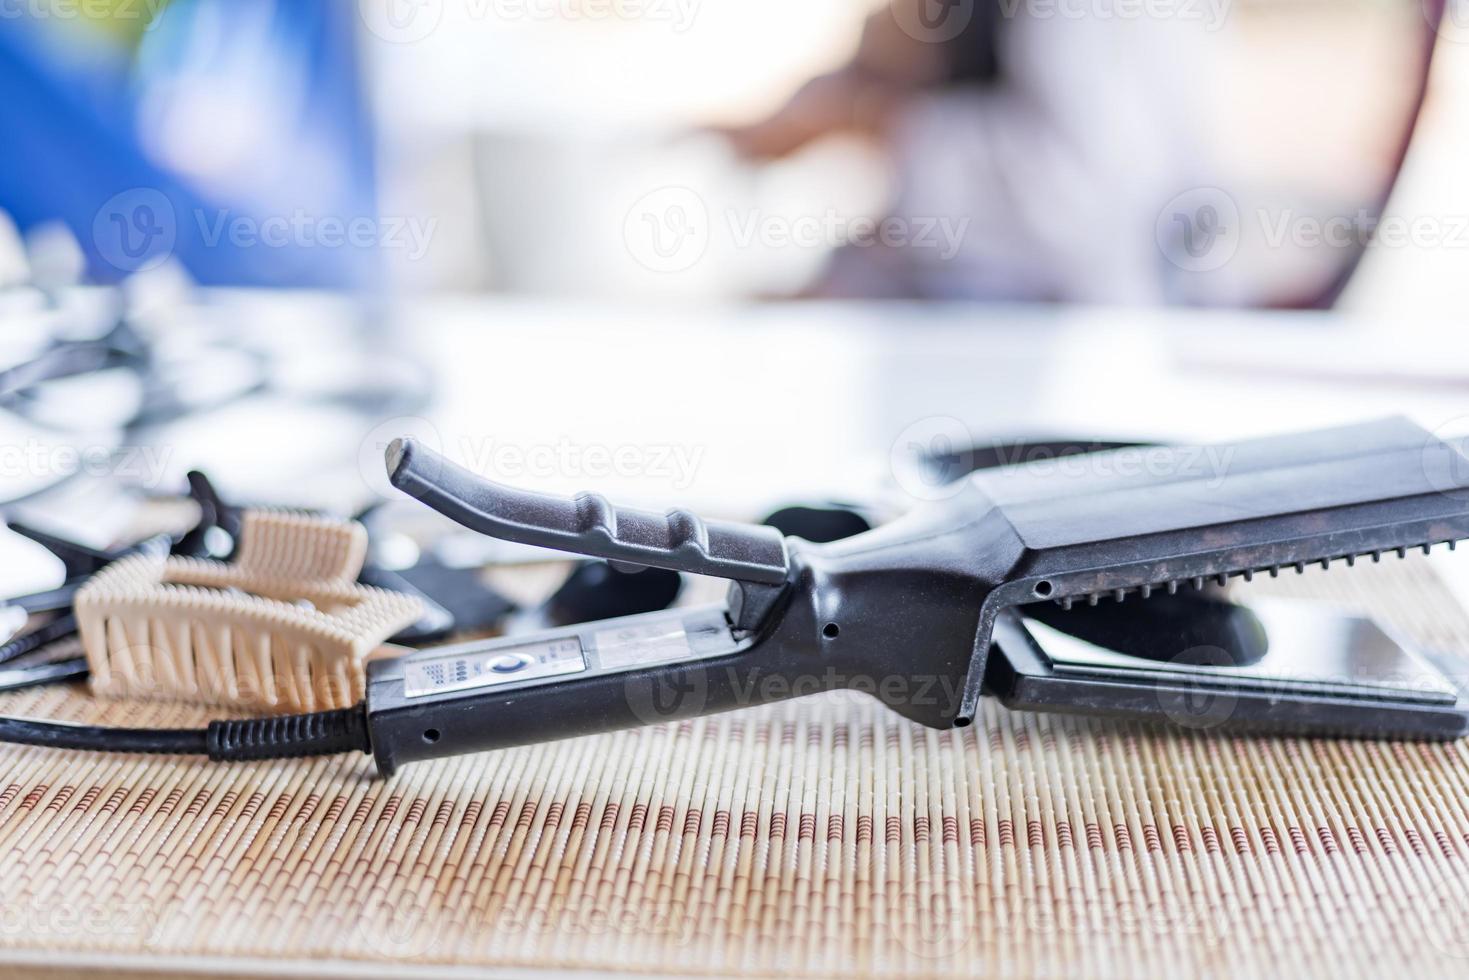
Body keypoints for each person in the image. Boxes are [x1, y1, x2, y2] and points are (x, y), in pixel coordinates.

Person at [719, 0, 1220, 303]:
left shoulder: (1087, 20)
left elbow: (1074, 202)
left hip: (1072, 334)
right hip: (967, 326)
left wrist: (867, 121)